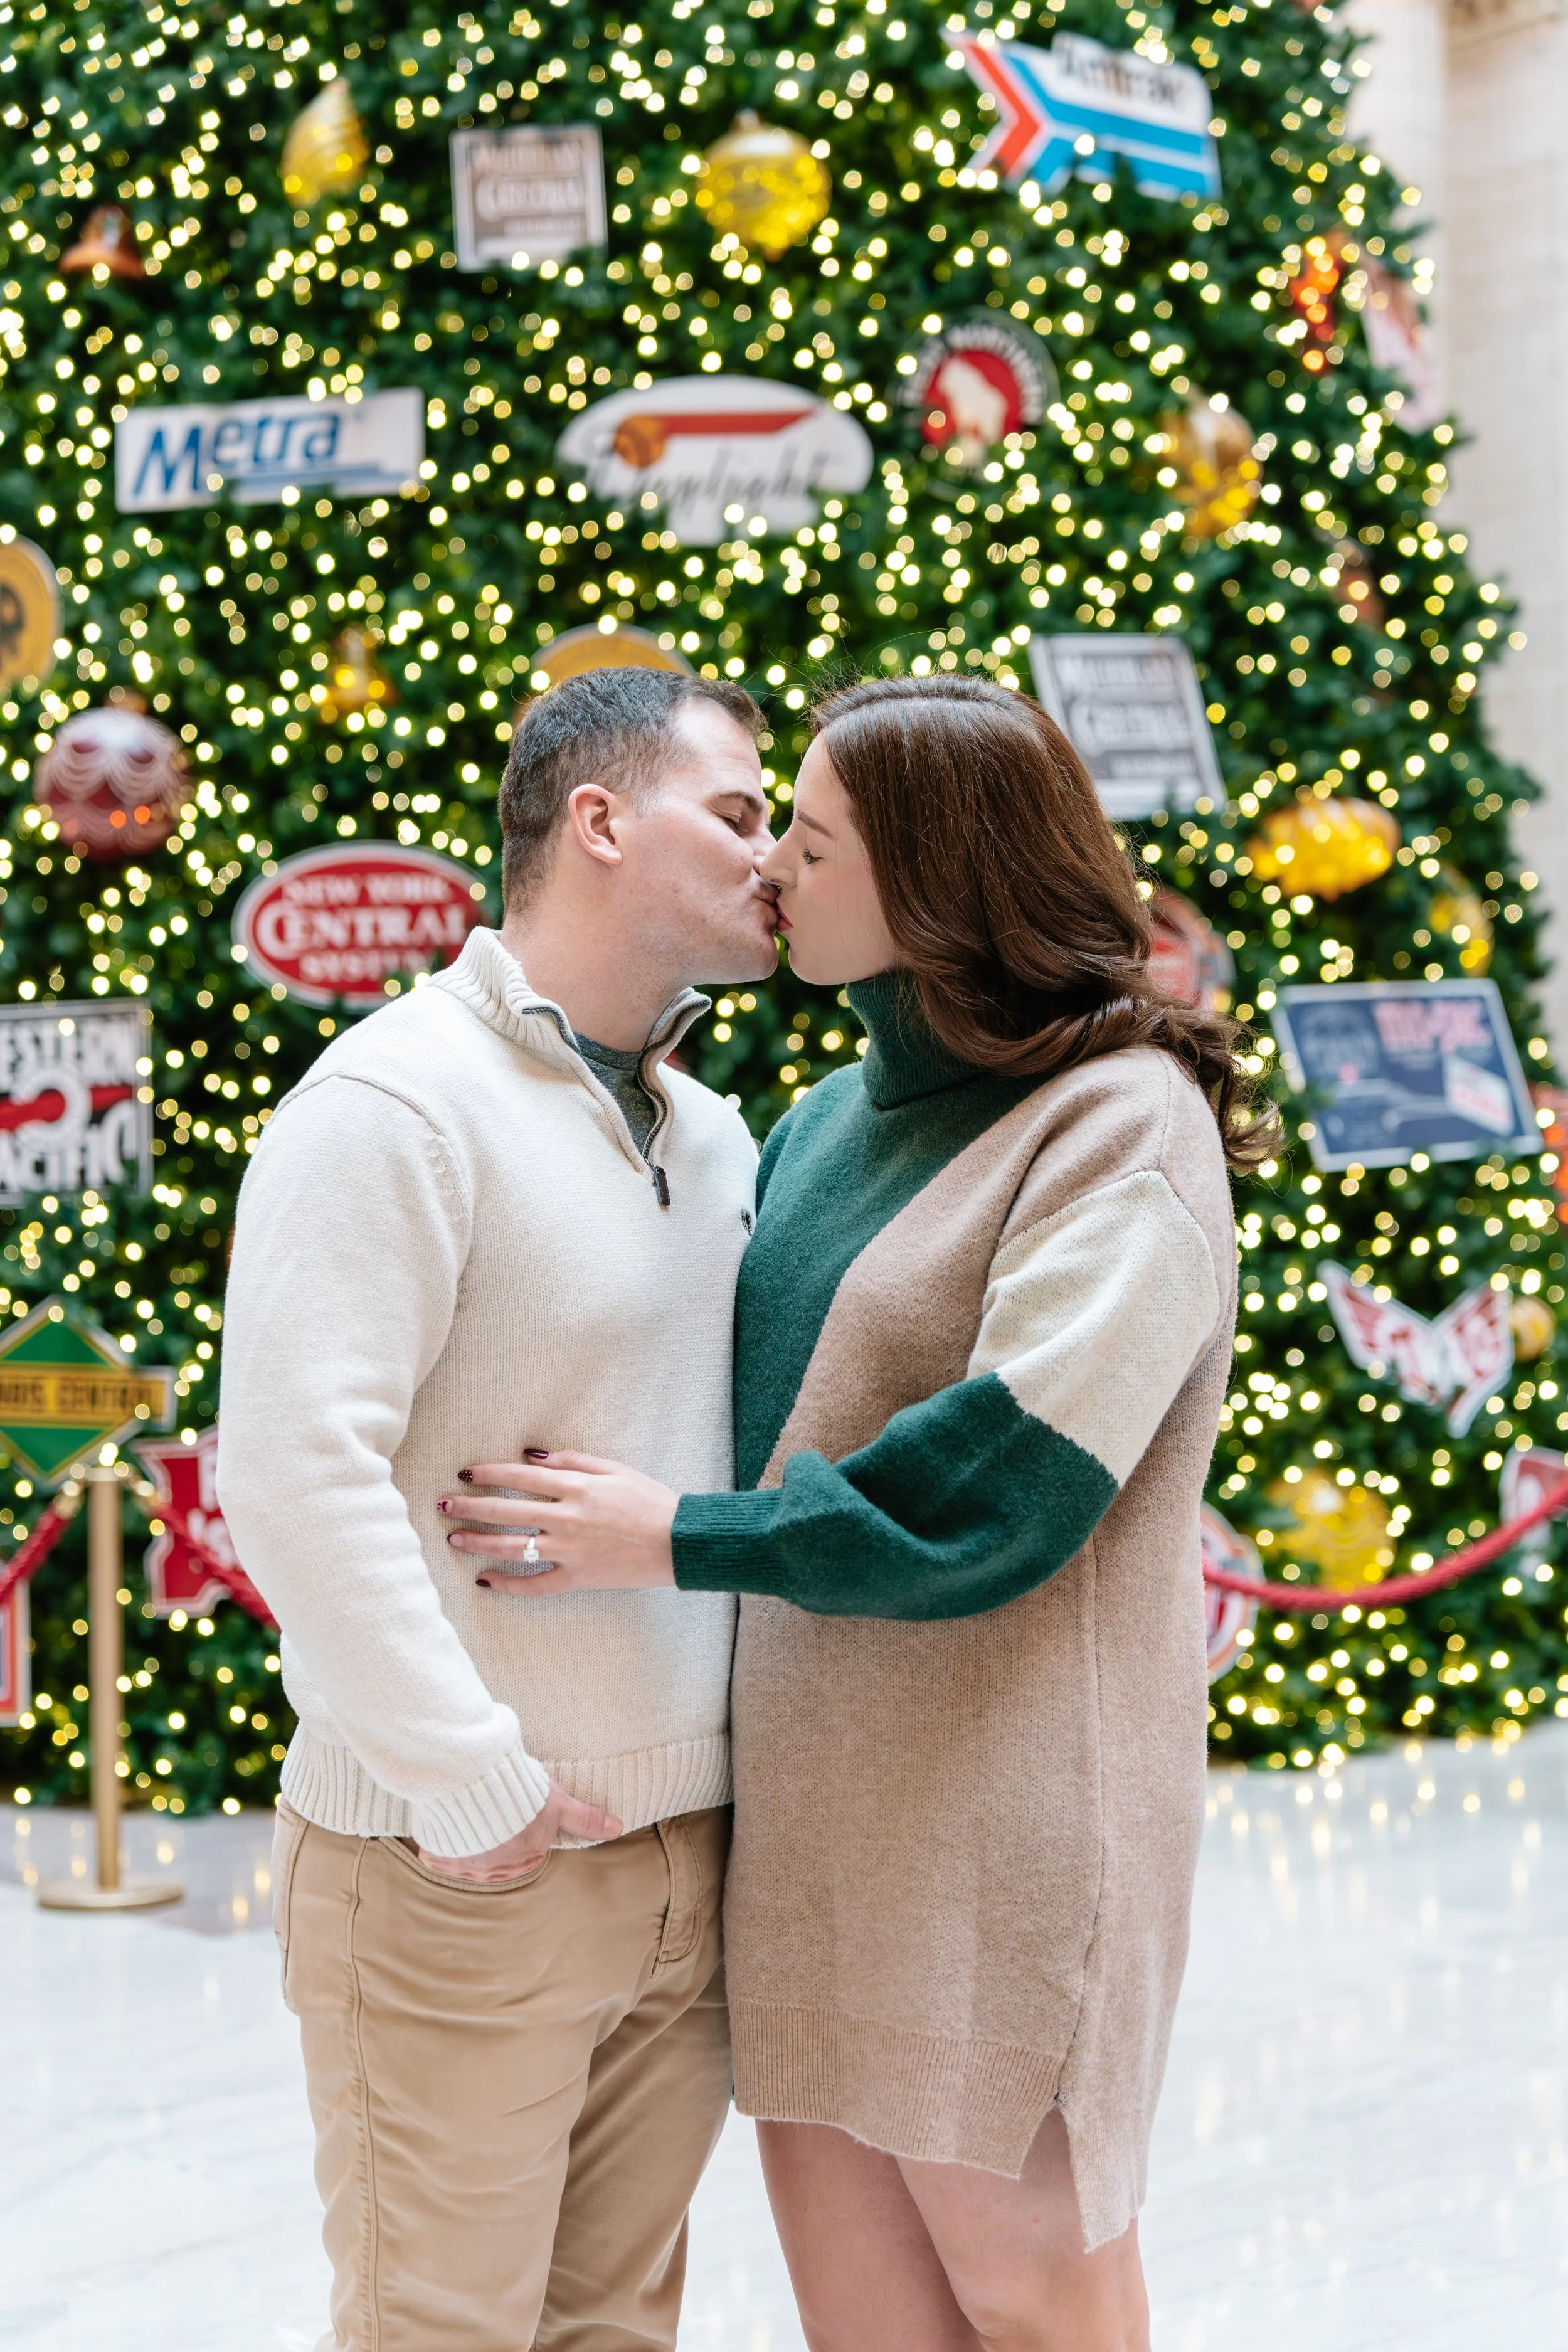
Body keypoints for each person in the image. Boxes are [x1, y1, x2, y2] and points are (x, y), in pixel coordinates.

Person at [445, 674, 1268, 2352]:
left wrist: (675, 1533)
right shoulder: (820, 1121)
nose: (766, 879)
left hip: (1005, 1829)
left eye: (802, 844)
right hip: (812, 1829)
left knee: (1036, 2306)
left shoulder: (1122, 1124)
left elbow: (1001, 1484)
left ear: (934, 880)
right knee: (870, 2324)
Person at [218, 665, 778, 2352]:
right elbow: (292, 1465)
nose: (775, 859)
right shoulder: (393, 1101)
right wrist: (467, 1771)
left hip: (685, 1853)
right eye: (741, 813)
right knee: (438, 2330)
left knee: (614, 2326)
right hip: (457, 1857)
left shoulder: (714, 1124)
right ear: (599, 819)